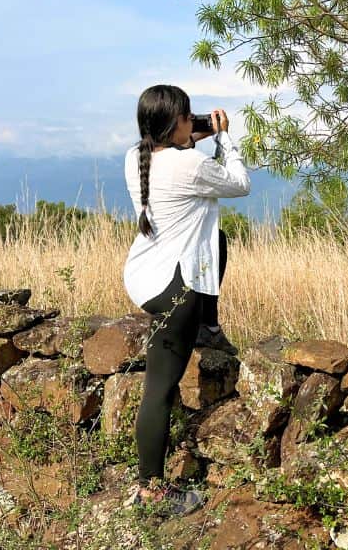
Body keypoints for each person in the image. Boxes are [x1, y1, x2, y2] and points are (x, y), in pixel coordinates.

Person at [121, 84, 251, 512]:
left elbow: (178, 146)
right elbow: (240, 184)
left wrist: (198, 128)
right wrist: (224, 136)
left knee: (218, 240)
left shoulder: (136, 157)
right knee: (159, 388)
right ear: (174, 123)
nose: (190, 121)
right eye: (186, 115)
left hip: (143, 277)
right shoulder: (189, 165)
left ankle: (208, 328)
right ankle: (150, 489)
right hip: (176, 290)